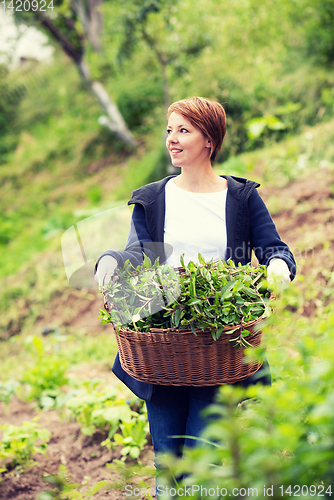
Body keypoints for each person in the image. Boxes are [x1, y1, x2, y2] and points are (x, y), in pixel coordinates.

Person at [94, 96, 296, 487]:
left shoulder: (241, 197)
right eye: (169, 130)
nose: (172, 139)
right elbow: (140, 253)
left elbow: (275, 249)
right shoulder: (153, 198)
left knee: (205, 461)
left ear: (209, 139)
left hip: (216, 344)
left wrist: (276, 268)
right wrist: (111, 260)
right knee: (168, 464)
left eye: (183, 130)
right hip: (163, 345)